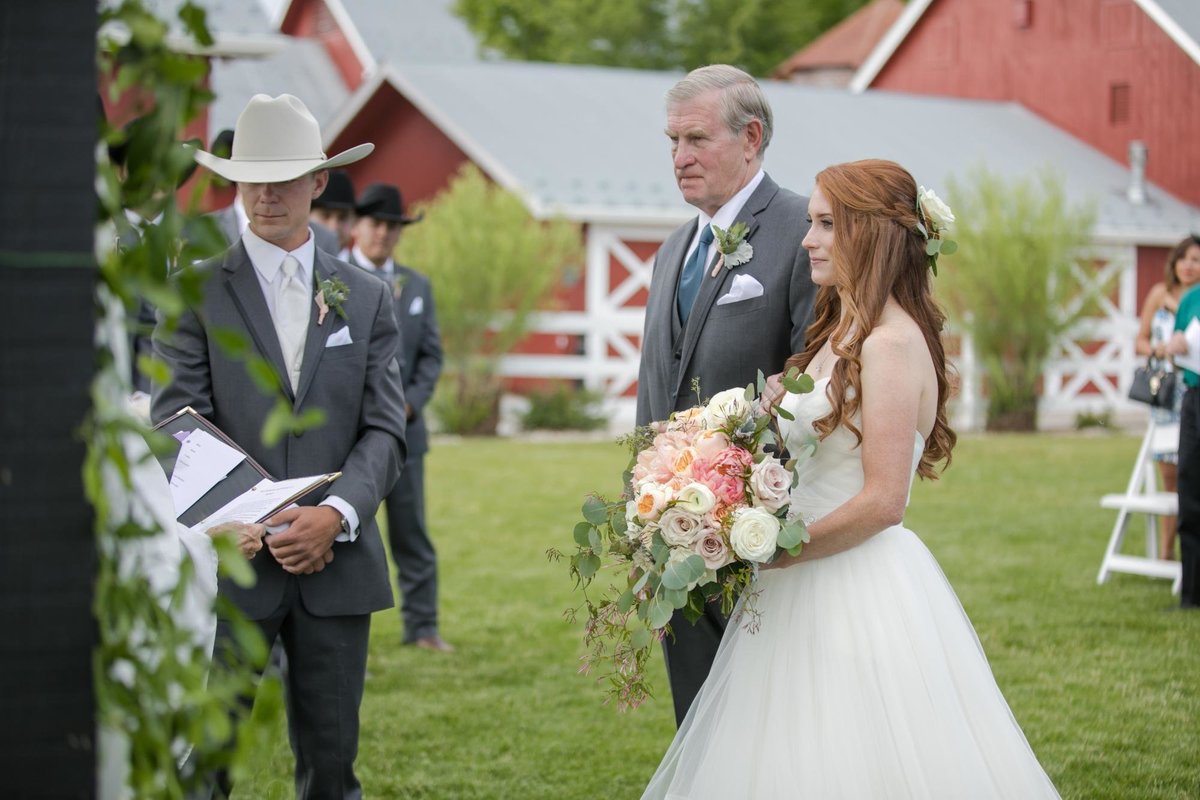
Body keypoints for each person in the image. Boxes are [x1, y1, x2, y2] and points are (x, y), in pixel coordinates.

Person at [642, 159, 1060, 798]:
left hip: (851, 581)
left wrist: (774, 550)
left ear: (872, 233)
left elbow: (885, 501)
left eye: (825, 224)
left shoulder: (890, 345)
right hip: (796, 580)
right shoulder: (843, 330)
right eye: (810, 222)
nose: (807, 240)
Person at [151, 93, 408, 797]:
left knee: (331, 769)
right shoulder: (196, 293)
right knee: (206, 764)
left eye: (285, 176)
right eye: (251, 176)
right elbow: (178, 420)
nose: (266, 193)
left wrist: (337, 515)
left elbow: (386, 428)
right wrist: (260, 519)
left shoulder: (366, 295)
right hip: (235, 567)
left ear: (318, 182)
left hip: (339, 563)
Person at [635, 64, 815, 726]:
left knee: (769, 725)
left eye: (697, 139)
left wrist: (761, 512)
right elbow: (655, 394)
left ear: (752, 137)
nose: (680, 158)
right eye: (672, 142)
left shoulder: (805, 230)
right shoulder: (671, 251)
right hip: (676, 535)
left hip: (767, 540)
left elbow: (818, 378)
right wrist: (647, 532)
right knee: (699, 723)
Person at [346, 182, 450, 651]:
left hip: (406, 434)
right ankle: (342, 632)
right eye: (376, 224)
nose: (384, 234)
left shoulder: (417, 285)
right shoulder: (334, 279)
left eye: (393, 227)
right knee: (345, 533)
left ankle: (423, 628)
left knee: (412, 534)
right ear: (356, 225)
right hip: (347, 438)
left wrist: (410, 401)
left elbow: (430, 355)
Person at [1137, 235, 1200, 560]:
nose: (1189, 266)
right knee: (1171, 477)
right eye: (1185, 258)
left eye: (1197, 260)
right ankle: (1167, 553)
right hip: (1166, 393)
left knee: (1192, 474)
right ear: (1175, 262)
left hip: (1192, 388)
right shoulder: (1158, 294)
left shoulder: (1194, 301)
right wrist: (1160, 350)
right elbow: (1141, 340)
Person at [1167, 235, 1200, 609]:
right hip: (1192, 399)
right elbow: (1180, 343)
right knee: (1189, 493)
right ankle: (1192, 593)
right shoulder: (1189, 299)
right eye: (1186, 258)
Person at [311, 170, 357, 260]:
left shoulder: (362, 272)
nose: (334, 227)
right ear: (307, 216)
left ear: (354, 221)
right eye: (325, 216)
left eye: (342, 218)